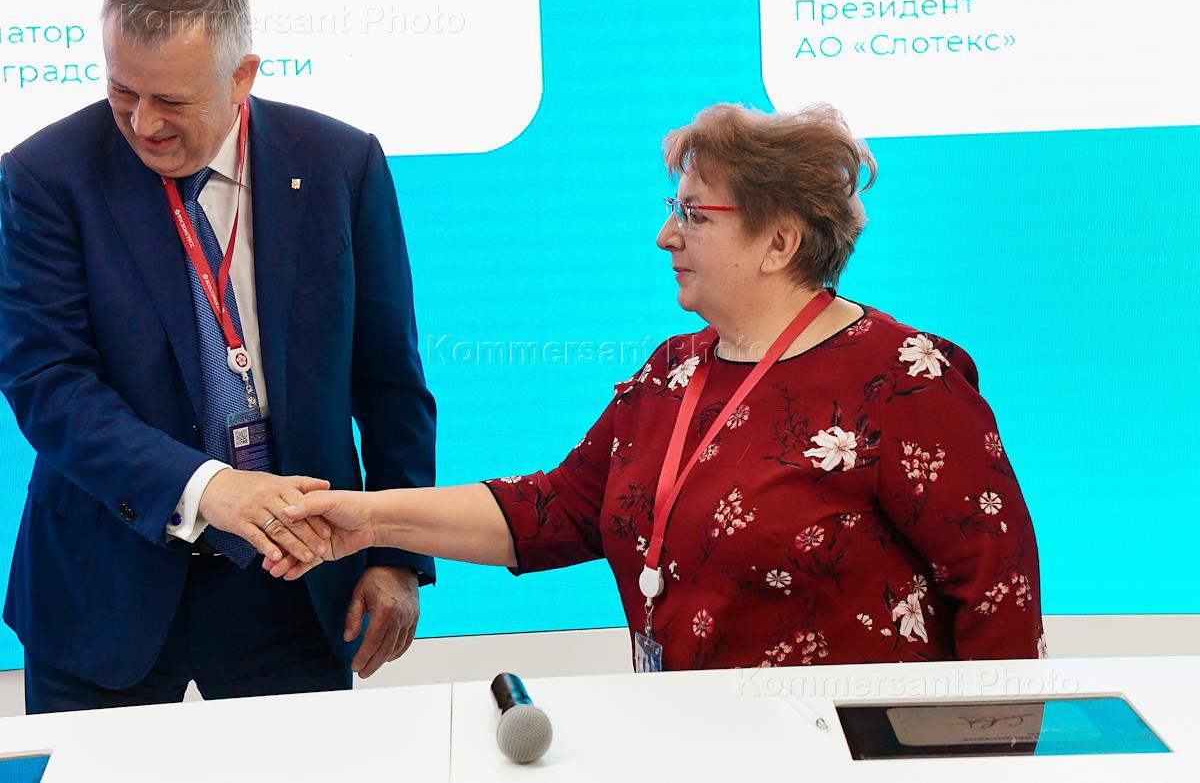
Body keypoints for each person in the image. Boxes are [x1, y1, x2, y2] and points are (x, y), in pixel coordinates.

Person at [274, 103, 1044, 671]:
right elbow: (550, 512)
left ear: (779, 242)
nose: (665, 235)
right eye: (672, 210)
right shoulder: (672, 373)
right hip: (693, 745)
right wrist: (367, 520)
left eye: (693, 215)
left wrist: (992, 756)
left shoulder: (905, 378)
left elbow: (998, 594)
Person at [0, 0, 436, 712]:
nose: (143, 124)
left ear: (242, 78)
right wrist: (209, 488)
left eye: (171, 100)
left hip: (294, 577)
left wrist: (395, 550)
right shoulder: (45, 176)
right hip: (108, 584)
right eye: (122, 91)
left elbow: (389, 378)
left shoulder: (339, 162)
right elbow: (50, 384)